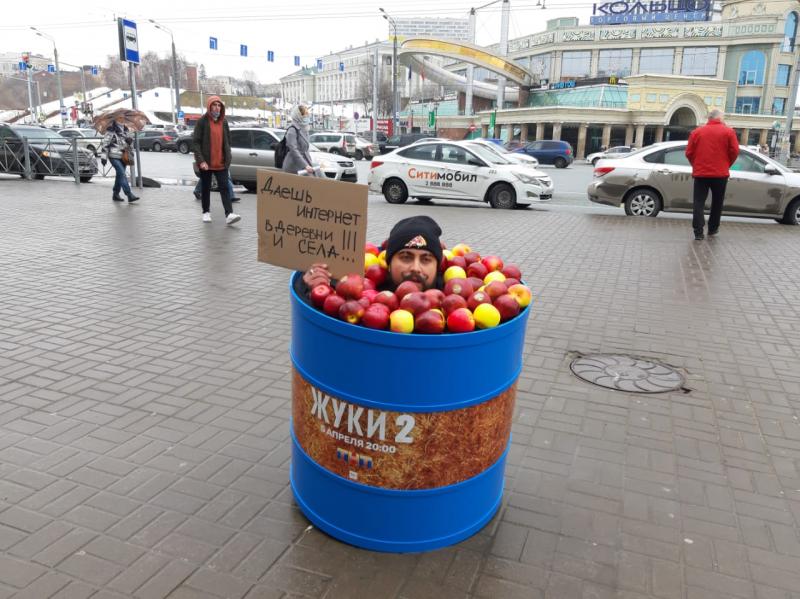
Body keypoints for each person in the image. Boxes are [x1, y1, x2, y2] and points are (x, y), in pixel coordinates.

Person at [302, 215, 444, 293]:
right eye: (406, 257)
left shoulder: (454, 299)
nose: (416, 268)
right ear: (388, 263)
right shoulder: (362, 292)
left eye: (426, 259)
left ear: (438, 266)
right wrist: (314, 290)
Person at [685, 108, 739, 240]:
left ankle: (698, 232)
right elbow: (735, 151)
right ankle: (713, 228)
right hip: (720, 174)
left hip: (701, 173)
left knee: (698, 202)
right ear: (720, 118)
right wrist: (726, 164)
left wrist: (696, 165)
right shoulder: (729, 132)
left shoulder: (697, 132)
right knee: (717, 202)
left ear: (709, 119)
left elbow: (689, 153)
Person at [192, 96, 241, 225]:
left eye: (219, 105)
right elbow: (196, 143)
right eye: (214, 105)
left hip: (221, 162)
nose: (217, 108)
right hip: (206, 163)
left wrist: (228, 156)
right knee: (206, 188)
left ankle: (229, 214)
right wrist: (201, 160)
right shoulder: (202, 121)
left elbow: (228, 140)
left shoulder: (223, 122)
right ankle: (206, 212)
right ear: (209, 106)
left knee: (225, 187)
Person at [101, 120, 140, 203]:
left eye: (123, 117)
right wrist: (103, 157)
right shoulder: (111, 130)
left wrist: (129, 142)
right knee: (122, 173)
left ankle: (115, 194)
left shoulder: (126, 130)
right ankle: (129, 194)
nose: (122, 119)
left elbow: (129, 145)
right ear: (115, 118)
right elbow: (105, 143)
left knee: (120, 175)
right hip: (113, 155)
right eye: (119, 117)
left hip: (123, 156)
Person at [283, 105, 322, 177]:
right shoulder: (292, 130)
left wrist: (308, 164)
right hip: (294, 165)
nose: (306, 117)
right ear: (298, 115)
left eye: (307, 114)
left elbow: (306, 149)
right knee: (311, 183)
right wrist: (305, 165)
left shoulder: (305, 128)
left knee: (318, 176)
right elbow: (293, 150)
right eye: (304, 114)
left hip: (304, 163)